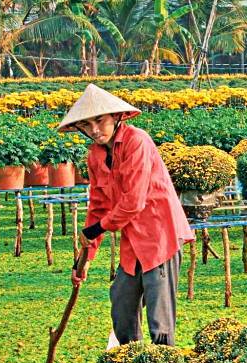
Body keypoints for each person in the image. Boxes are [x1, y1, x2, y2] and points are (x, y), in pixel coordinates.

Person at [58, 84, 194, 346]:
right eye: (86, 125)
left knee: (160, 323)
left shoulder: (137, 141)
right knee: (121, 306)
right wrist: (86, 258)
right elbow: (98, 205)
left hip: (159, 237)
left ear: (116, 117)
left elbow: (134, 201)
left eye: (99, 120)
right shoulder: (95, 155)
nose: (94, 130)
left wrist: (98, 229)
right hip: (132, 242)